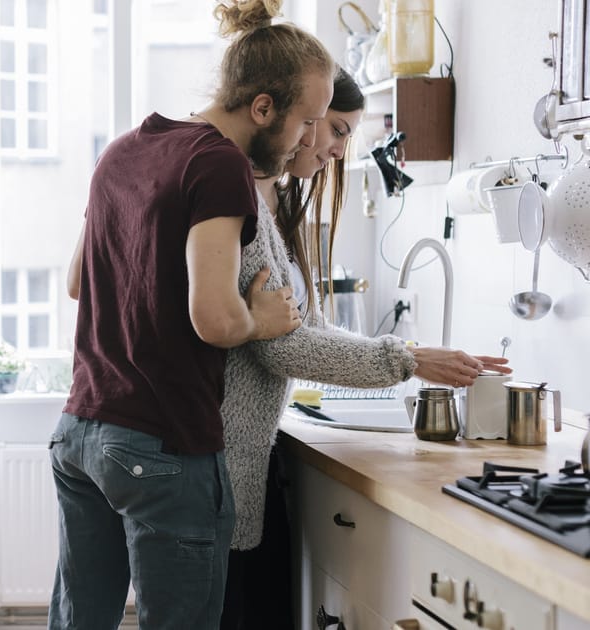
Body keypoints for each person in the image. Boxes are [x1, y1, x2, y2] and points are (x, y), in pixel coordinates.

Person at [50, 1, 334, 627]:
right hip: (164, 442)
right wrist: (265, 318)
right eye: (305, 122)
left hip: (81, 430)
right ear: (262, 108)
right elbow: (216, 320)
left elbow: (76, 282)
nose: (307, 141)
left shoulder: (125, 148)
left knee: (80, 620)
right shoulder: (219, 164)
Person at [216, 67, 511, 630]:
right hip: (226, 463)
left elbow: (313, 329)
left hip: (249, 459)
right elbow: (283, 348)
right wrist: (408, 359)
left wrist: (411, 353)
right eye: (333, 127)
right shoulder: (242, 196)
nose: (332, 147)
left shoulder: (278, 203)